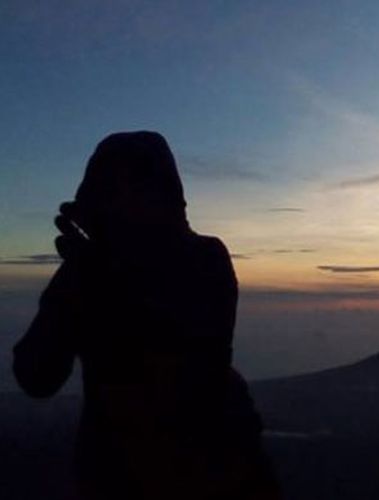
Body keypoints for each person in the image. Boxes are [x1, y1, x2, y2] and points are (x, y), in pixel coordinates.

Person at [13, 131, 280, 500]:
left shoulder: (202, 258)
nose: (121, 205)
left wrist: (96, 278)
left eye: (129, 190)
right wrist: (79, 283)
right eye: (110, 194)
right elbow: (35, 375)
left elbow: (193, 362)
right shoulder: (91, 268)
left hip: (212, 478)